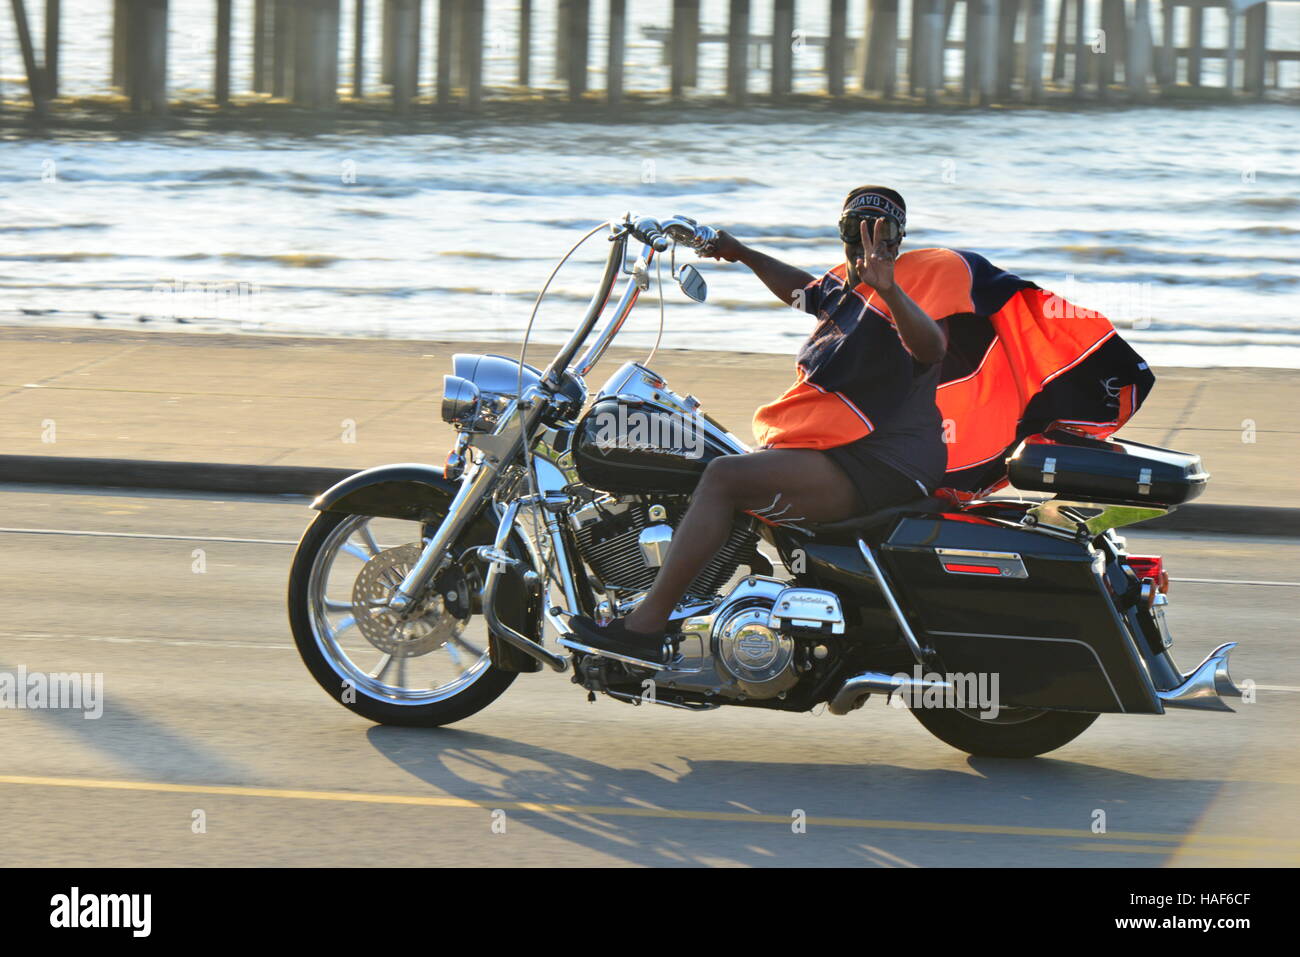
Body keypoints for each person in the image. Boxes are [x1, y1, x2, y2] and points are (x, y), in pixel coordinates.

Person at [567, 186, 966, 665]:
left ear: (898, 240)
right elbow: (804, 291)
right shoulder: (846, 292)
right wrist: (740, 253)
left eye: (880, 233)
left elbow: (931, 349)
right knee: (720, 460)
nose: (864, 244)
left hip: (885, 464)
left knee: (725, 477)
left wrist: (890, 289)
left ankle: (645, 628)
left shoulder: (917, 292)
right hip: (849, 455)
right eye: (853, 230)